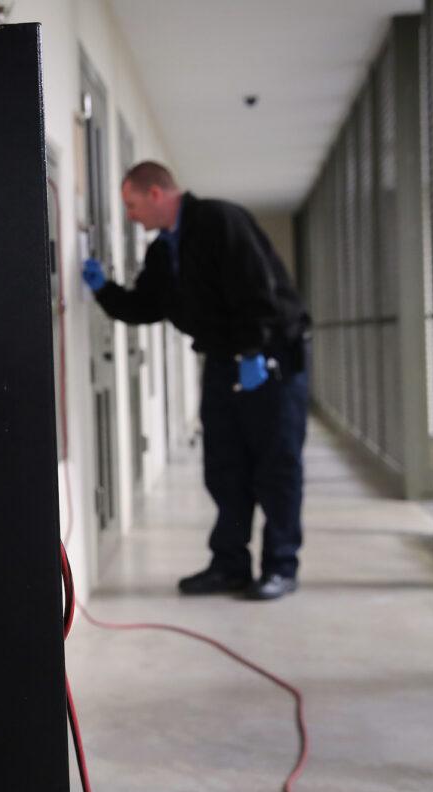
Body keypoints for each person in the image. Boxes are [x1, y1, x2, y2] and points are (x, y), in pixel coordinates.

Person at [83, 161, 310, 601]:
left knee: (276, 466)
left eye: (131, 204)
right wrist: (101, 289)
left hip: (270, 357)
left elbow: (258, 289)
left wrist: (253, 352)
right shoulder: (162, 251)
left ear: (156, 194)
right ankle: (230, 565)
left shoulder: (219, 220)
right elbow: (146, 306)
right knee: (225, 467)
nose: (130, 216)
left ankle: (281, 566)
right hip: (226, 361)